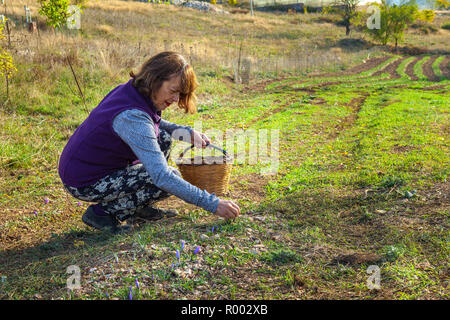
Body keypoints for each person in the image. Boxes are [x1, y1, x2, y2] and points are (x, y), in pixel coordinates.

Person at [59, 51, 240, 233]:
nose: (176, 99)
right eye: (173, 91)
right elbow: (161, 176)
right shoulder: (132, 116)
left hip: (96, 166)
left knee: (164, 139)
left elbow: (151, 122)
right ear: (155, 80)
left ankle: (137, 207)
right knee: (168, 178)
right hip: (85, 180)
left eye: (180, 93)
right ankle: (101, 213)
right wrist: (213, 204)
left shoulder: (133, 92)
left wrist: (185, 132)